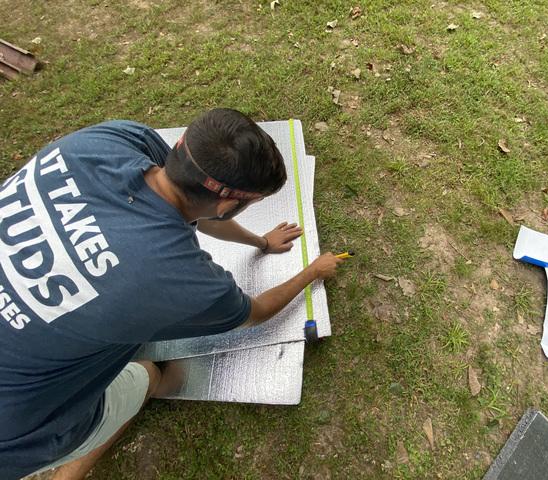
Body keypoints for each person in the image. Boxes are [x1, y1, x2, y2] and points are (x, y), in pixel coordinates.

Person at [0, 108, 343, 479]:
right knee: (150, 372)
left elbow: (192, 209)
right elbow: (256, 312)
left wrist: (260, 241)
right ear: (229, 204)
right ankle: (68, 469)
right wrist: (313, 271)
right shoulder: (184, 279)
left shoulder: (106, 141)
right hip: (19, 437)